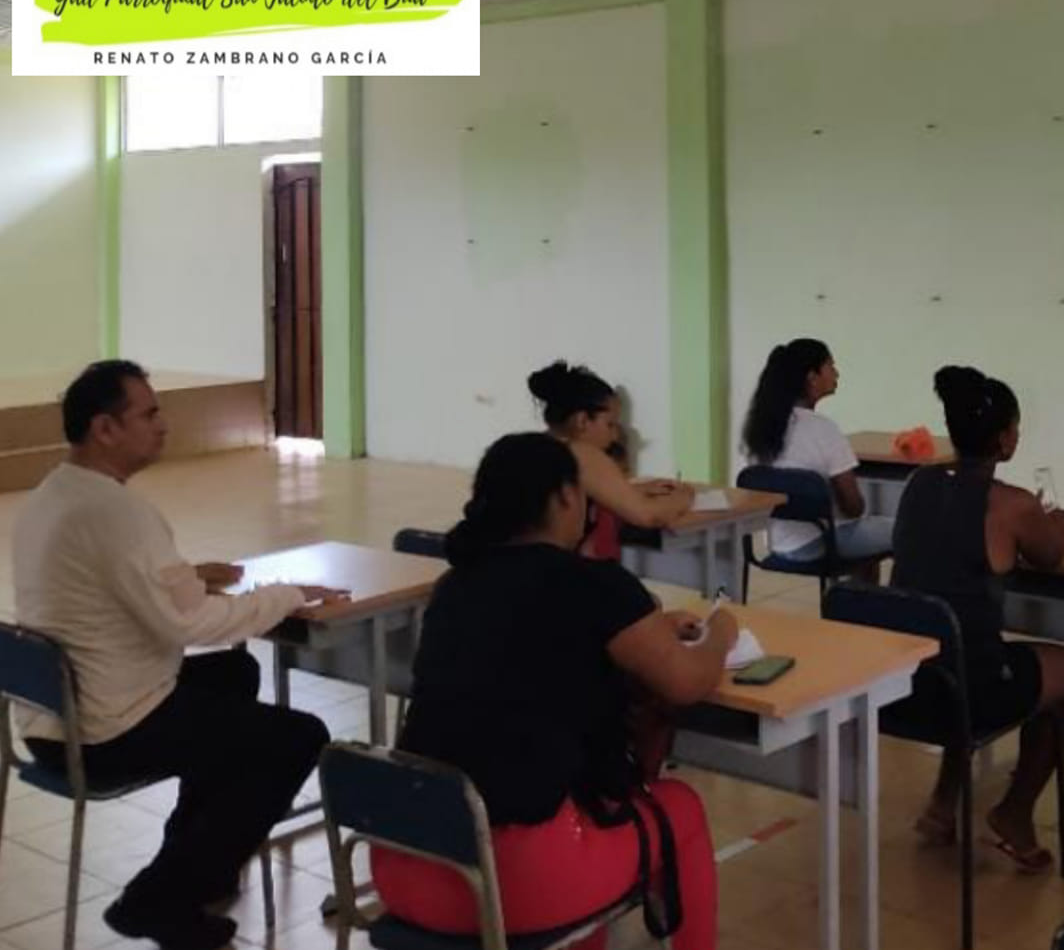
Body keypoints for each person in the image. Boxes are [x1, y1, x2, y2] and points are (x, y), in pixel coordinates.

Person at [11, 360, 340, 949]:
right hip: (106, 732)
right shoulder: (115, 511)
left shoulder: (55, 493)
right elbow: (188, 623)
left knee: (234, 672)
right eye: (149, 414)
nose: (163, 425)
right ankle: (157, 899)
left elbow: (119, 584)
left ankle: (197, 862)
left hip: (52, 718)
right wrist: (287, 594)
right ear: (105, 429)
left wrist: (187, 575)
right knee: (298, 736)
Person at [373, 433, 734, 950]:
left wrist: (647, 630)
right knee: (679, 809)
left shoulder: (454, 586)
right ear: (566, 497)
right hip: (513, 884)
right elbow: (687, 682)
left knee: (578, 805)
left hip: (404, 869)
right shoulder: (593, 584)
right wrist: (721, 632)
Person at [889, 366, 1064, 872]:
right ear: (1004, 439)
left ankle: (943, 805)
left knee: (959, 653)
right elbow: (1049, 554)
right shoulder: (1015, 505)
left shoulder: (919, 482)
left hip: (903, 682)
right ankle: (1015, 811)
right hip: (967, 687)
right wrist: (1058, 521)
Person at [740, 338, 891, 581]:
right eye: (831, 366)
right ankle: (879, 602)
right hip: (820, 544)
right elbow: (853, 508)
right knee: (907, 531)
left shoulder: (762, 429)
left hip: (777, 544)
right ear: (812, 377)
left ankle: (856, 600)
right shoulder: (823, 429)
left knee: (867, 535)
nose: (836, 373)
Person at [529, 361, 695, 561]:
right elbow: (649, 515)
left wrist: (631, 490)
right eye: (610, 424)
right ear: (582, 421)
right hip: (557, 571)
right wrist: (685, 496)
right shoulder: (580, 454)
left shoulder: (534, 447)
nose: (615, 436)